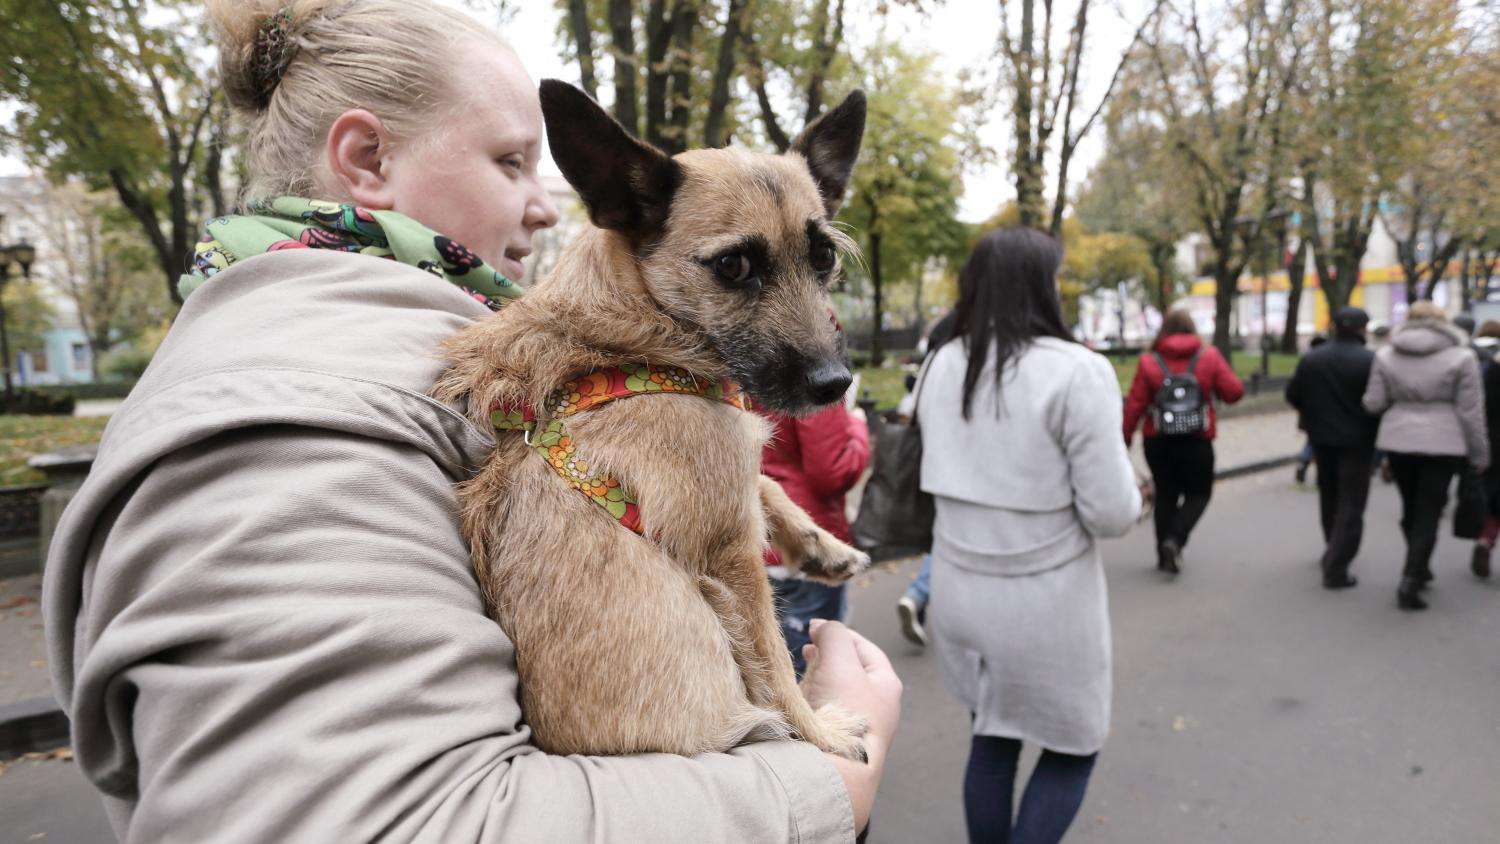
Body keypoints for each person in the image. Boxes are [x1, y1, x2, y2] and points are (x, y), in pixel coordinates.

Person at [40, 1, 901, 839]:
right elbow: (372, 822)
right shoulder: (280, 437)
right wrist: (824, 788)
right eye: (511, 162)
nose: (550, 206)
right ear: (367, 160)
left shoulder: (421, 368)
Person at [917, 227, 1142, 844]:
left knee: (992, 738)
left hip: (960, 593)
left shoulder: (943, 362)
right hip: (1045, 604)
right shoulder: (1077, 371)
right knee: (1074, 748)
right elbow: (1111, 512)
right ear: (1044, 287)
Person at [1362, 301, 1489, 611]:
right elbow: (1471, 412)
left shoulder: (1386, 355)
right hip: (1444, 442)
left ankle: (1418, 565)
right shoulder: (1462, 357)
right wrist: (1479, 453)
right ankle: (1411, 576)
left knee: (1410, 508)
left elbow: (1373, 403)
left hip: (1398, 440)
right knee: (1430, 510)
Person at [1123, 309, 1245, 575]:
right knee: (1199, 493)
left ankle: (1162, 555)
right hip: (1197, 440)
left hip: (1158, 440)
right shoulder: (1208, 356)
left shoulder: (1149, 361)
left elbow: (1135, 404)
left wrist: (1125, 437)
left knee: (1165, 494)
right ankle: (1175, 539)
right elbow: (1234, 391)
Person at [762, 400, 871, 678]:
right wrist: (858, 427)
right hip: (804, 542)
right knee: (808, 666)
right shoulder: (817, 379)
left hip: (753, 537)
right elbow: (832, 471)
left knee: (765, 667)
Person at [1284, 308, 1379, 589]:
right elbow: (1379, 400)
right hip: (1358, 441)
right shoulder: (1370, 360)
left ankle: (1332, 545)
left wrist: (1314, 414)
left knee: (1329, 496)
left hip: (1322, 439)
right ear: (1362, 329)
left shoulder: (1312, 358)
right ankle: (1337, 563)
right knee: (1352, 501)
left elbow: (1293, 394)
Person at [893, 310, 958, 647]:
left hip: (927, 466)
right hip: (953, 471)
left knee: (941, 535)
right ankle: (918, 594)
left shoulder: (932, 366)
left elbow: (909, 410)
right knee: (947, 537)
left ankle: (919, 602)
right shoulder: (958, 364)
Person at [1467, 320, 1500, 578]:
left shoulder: (1491, 370)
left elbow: (1480, 409)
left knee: (1493, 496)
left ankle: (1486, 539)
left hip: (1494, 441)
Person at [1292, 334, 1330, 485]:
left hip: (1308, 411)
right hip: (1326, 411)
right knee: (1319, 442)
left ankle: (1304, 462)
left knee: (1312, 440)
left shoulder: (1306, 363)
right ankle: (1320, 472)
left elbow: (1293, 390)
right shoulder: (1328, 363)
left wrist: (1300, 406)